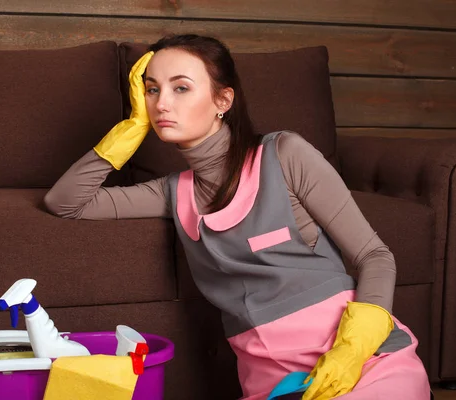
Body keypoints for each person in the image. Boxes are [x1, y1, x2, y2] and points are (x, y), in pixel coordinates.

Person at [44, 34, 431, 400]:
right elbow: (66, 202)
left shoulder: (284, 155)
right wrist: (131, 128)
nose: (161, 104)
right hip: (275, 380)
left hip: (365, 360)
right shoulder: (173, 191)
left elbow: (375, 256)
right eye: (151, 89)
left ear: (222, 100)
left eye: (181, 87)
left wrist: (353, 349)